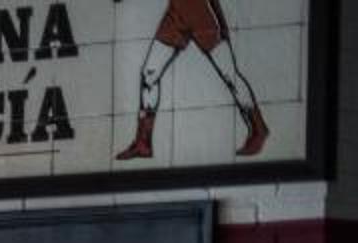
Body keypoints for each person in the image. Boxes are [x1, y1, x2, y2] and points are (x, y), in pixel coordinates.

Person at [116, 0, 271, 161]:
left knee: (229, 74)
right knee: (149, 74)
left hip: (202, 11)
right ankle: (143, 142)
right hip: (178, 11)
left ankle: (259, 129)